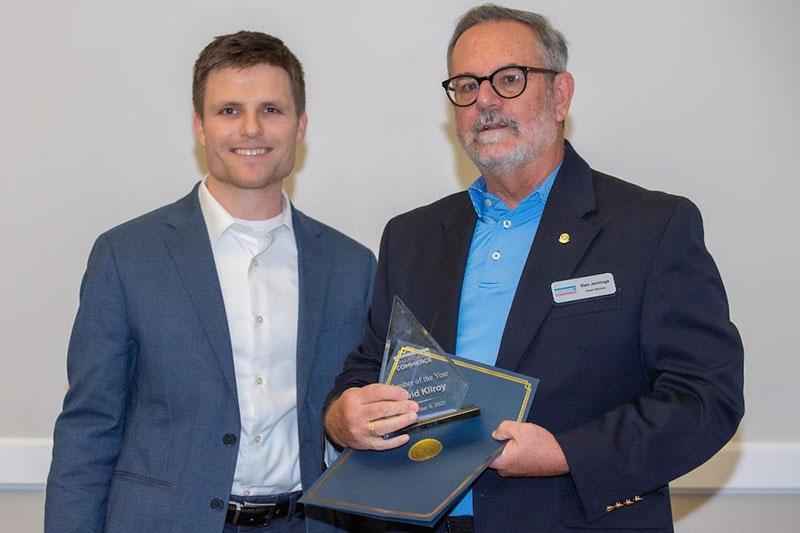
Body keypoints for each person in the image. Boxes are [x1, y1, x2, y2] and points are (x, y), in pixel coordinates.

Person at [323, 5, 744, 532]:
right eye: (466, 85)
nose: (486, 101)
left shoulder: (651, 227)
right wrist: (341, 415)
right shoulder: (411, 235)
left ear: (561, 93)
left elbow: (705, 398)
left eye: (510, 79)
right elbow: (368, 368)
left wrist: (567, 452)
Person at [45, 31, 376, 533]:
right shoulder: (125, 256)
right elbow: (89, 429)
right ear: (199, 127)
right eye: (228, 111)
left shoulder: (353, 266)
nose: (250, 128)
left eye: (271, 109)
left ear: (300, 125)